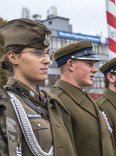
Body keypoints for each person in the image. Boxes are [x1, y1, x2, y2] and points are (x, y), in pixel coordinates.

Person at [0, 18, 75, 156]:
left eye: (47, 53)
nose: (47, 60)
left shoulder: (50, 102)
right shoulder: (6, 105)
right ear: (13, 57)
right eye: (38, 52)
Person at [50, 40, 115, 156]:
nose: (95, 69)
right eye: (89, 64)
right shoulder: (58, 101)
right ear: (70, 65)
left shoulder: (84, 98)